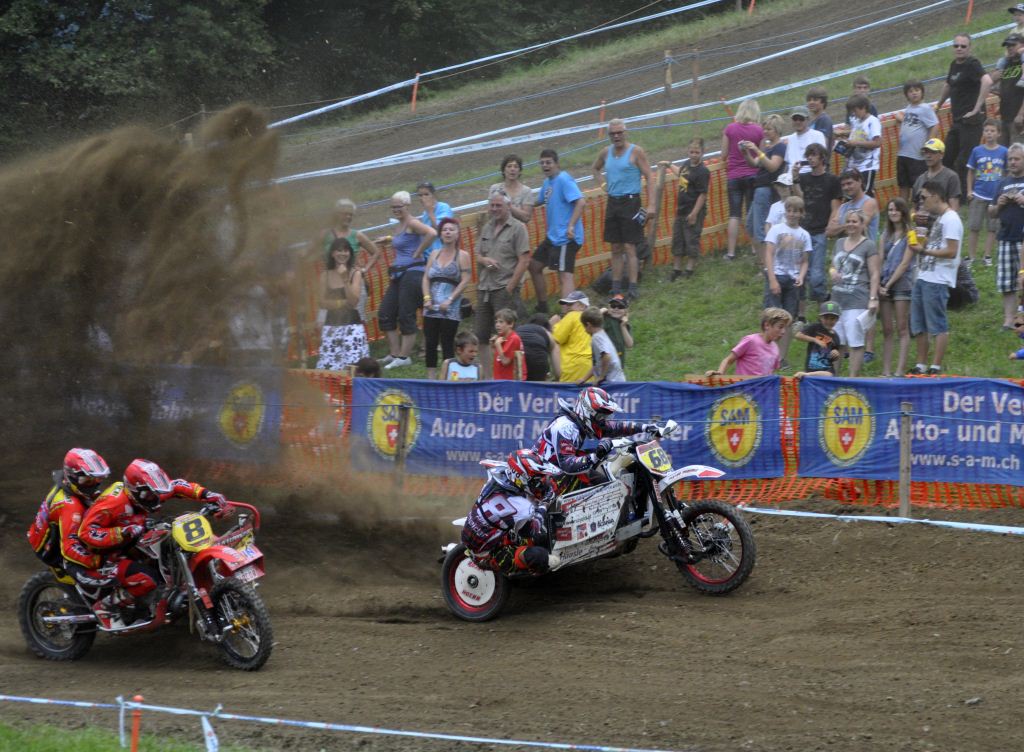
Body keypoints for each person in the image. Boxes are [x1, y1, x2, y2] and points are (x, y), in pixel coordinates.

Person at [78, 459, 230, 625]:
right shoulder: (113, 503)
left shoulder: (149, 491)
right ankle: (106, 606)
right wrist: (121, 532)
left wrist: (206, 494)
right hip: (103, 556)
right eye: (149, 495)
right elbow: (85, 533)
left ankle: (182, 590)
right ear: (134, 490)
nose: (155, 499)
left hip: (130, 543)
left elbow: (177, 486)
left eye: (156, 493)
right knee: (147, 578)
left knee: (171, 545)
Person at [533, 386, 655, 492]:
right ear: (587, 412)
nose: (604, 421)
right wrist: (596, 456)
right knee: (608, 488)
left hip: (558, 471)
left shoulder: (579, 422)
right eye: (601, 416)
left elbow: (617, 427)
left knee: (605, 464)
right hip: (543, 480)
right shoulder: (566, 427)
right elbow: (567, 465)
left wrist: (646, 427)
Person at [460, 449, 561, 576]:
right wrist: (544, 505)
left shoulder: (499, 472)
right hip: (487, 555)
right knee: (542, 555)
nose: (541, 481)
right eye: (538, 478)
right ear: (523, 478)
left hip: (479, 533)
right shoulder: (522, 507)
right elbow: (531, 531)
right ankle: (532, 577)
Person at [26, 449, 112, 586]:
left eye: (98, 479)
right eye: (88, 480)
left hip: (51, 531)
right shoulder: (70, 507)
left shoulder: (67, 483)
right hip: (52, 549)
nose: (94, 484)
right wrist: (99, 561)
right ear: (73, 477)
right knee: (101, 578)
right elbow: (70, 547)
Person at [591, 118, 656, 299]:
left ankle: (633, 286)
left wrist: (651, 204)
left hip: (631, 202)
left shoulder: (636, 152)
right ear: (609, 135)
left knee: (630, 246)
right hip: (613, 202)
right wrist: (603, 185)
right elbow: (595, 169)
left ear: (625, 133)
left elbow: (649, 176)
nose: (616, 136)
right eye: (613, 134)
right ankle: (616, 287)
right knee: (615, 247)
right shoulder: (606, 152)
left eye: (619, 133)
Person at [908, 181, 963, 375]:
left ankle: (935, 366)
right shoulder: (940, 219)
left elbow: (951, 251)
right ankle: (921, 364)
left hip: (938, 279)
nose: (921, 202)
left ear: (936, 196)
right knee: (919, 324)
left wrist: (924, 251)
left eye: (924, 197)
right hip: (924, 275)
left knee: (937, 324)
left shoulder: (951, 219)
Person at [378, 190, 436, 369]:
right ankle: (394, 353)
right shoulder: (399, 225)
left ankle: (404, 357)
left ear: (407, 206)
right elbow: (404, 241)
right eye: (393, 207)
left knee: (406, 313)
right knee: (386, 312)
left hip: (412, 273)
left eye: (399, 206)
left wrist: (419, 251)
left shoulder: (412, 222)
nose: (396, 209)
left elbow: (432, 233)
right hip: (398, 274)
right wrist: (389, 239)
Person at [476, 190, 531, 376]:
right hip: (484, 288)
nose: (494, 209)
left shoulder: (518, 228)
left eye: (498, 205)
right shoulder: (487, 227)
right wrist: (484, 260)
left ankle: (509, 374)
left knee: (505, 335)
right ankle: (488, 377)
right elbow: (477, 254)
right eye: (492, 205)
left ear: (508, 206)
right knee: (481, 335)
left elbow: (524, 260)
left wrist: (510, 287)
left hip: (504, 287)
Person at [528, 149, 586, 312]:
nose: (545, 166)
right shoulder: (548, 182)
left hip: (566, 238)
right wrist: (521, 203)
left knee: (565, 274)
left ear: (557, 164)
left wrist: (571, 225)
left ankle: (567, 313)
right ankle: (542, 305)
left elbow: (581, 202)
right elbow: (540, 200)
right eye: (542, 163)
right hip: (553, 237)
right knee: (534, 265)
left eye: (548, 162)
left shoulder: (564, 180)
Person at [934, 34, 994, 189]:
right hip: (957, 120)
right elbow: (948, 85)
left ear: (969, 48)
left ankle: (966, 196)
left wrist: (977, 108)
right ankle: (953, 192)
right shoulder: (954, 64)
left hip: (971, 121)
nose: (959, 48)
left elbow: (987, 81)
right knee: (947, 157)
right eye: (956, 46)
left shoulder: (972, 64)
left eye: (963, 46)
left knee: (964, 161)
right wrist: (938, 106)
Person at [829, 210, 880, 377]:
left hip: (857, 299)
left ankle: (852, 379)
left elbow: (874, 273)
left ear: (862, 224)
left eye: (855, 221)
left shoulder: (868, 245)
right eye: (849, 221)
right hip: (837, 300)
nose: (851, 224)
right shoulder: (839, 242)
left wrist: (873, 298)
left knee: (855, 342)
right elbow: (833, 265)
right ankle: (834, 377)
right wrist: (832, 272)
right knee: (836, 341)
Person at [791, 142, 843, 303]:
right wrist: (795, 179)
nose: (810, 158)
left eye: (814, 155)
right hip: (804, 229)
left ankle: (823, 297)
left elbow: (836, 206)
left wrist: (831, 225)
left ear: (822, 158)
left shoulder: (832, 180)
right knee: (804, 269)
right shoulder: (804, 178)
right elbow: (801, 199)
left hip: (820, 230)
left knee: (816, 272)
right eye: (808, 155)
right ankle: (818, 299)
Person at [763, 196, 812, 367]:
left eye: (795, 211)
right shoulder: (776, 229)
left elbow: (805, 261)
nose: (792, 214)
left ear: (801, 213)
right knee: (771, 317)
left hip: (793, 279)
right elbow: (769, 254)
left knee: (787, 320)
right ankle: (767, 352)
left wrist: (801, 276)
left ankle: (781, 358)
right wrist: (772, 279)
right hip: (776, 274)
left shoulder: (804, 235)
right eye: (789, 210)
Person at [421, 216, 471, 379]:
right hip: (431, 305)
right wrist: (426, 298)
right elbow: (426, 278)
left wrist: (450, 299)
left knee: (447, 341)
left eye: (451, 229)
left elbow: (465, 280)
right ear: (440, 234)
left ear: (457, 234)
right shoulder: (434, 254)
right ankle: (431, 378)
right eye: (445, 230)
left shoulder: (462, 255)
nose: (448, 232)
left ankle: (448, 377)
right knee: (430, 342)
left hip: (451, 307)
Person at [317, 198, 383, 319]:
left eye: (350, 214)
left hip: (353, 282)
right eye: (345, 213)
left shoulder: (356, 235)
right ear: (337, 214)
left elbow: (376, 252)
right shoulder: (325, 234)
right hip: (331, 282)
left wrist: (364, 270)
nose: (348, 217)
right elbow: (312, 252)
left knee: (356, 318)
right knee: (323, 319)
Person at [315, 237, 369, 371]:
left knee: (354, 368)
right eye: (339, 250)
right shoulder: (325, 275)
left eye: (346, 250)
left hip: (352, 326)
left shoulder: (355, 273)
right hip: (331, 326)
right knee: (329, 368)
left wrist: (345, 279)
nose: (343, 254)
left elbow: (354, 302)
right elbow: (322, 302)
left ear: (350, 253)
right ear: (332, 253)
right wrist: (342, 302)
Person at [878, 198, 917, 377]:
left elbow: (905, 263)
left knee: (902, 327)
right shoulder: (885, 234)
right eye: (890, 210)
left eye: (896, 209)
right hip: (884, 282)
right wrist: (879, 283)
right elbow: (880, 258)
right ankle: (886, 371)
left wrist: (888, 284)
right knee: (887, 329)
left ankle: (899, 370)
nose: (893, 213)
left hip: (902, 283)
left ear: (903, 212)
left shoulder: (911, 234)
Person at [742, 114, 787, 267]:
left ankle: (768, 265)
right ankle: (763, 261)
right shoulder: (768, 147)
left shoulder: (780, 147)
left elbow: (773, 166)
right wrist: (746, 153)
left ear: (777, 130)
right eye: (765, 129)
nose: (766, 132)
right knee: (750, 225)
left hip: (766, 189)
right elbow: (755, 163)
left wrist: (757, 149)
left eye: (769, 129)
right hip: (759, 188)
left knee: (760, 228)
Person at [721, 99, 764, 261]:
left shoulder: (730, 129)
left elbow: (723, 155)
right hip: (753, 175)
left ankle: (731, 253)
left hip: (733, 176)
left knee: (734, 215)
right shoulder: (759, 131)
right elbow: (761, 155)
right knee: (751, 213)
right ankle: (754, 248)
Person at [988, 142, 1024, 330]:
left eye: (1017, 159)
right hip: (1005, 237)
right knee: (1007, 282)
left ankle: (1021, 320)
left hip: (1023, 238)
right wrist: (999, 205)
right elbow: (991, 212)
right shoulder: (1002, 183)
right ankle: (1009, 321)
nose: (1013, 162)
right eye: (1010, 159)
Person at [965, 120, 1008, 268]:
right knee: (974, 226)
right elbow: (970, 172)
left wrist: (1005, 191)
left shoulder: (1004, 152)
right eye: (986, 130)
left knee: (992, 228)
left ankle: (987, 256)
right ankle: (971, 257)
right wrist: (969, 190)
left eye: (992, 131)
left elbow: (1007, 173)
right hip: (979, 194)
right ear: (983, 133)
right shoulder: (977, 151)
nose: (989, 133)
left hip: (996, 197)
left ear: (999, 133)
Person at [666, 138, 710, 279]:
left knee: (692, 239)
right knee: (678, 239)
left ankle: (689, 269)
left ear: (702, 153)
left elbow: (702, 194)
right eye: (691, 152)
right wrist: (669, 164)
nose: (694, 155)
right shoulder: (686, 164)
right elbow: (680, 173)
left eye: (697, 152)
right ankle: (677, 269)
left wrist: (694, 213)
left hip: (694, 210)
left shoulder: (703, 171)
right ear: (688, 151)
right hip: (681, 209)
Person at [705, 307, 793, 377]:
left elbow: (772, 372)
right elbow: (728, 360)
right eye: (780, 327)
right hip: (745, 390)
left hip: (763, 391)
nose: (783, 332)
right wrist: (719, 374)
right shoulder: (751, 341)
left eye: (785, 328)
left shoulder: (775, 348)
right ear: (767, 325)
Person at [894, 80, 940, 203]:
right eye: (910, 91)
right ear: (906, 95)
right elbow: (910, 121)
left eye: (917, 90)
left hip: (917, 156)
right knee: (903, 184)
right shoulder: (909, 108)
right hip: (903, 153)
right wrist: (899, 117)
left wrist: (928, 146)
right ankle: (902, 209)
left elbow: (934, 125)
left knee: (919, 185)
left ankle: (920, 207)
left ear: (922, 92)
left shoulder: (925, 108)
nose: (914, 93)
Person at [835, 95, 882, 196]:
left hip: (867, 165)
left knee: (865, 194)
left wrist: (856, 143)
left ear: (863, 107)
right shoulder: (857, 122)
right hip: (854, 166)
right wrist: (845, 142)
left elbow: (877, 142)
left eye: (855, 110)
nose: (853, 114)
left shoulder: (873, 121)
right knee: (853, 195)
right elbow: (854, 139)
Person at [550, 290, 592, 383]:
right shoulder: (592, 319)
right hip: (590, 366)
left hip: (573, 363)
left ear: (582, 305)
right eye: (566, 304)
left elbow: (557, 338)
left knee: (568, 391)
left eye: (570, 304)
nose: (566, 307)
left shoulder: (572, 315)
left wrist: (552, 325)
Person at [828, 168, 879, 242]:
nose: (846, 187)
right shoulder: (843, 207)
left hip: (863, 248)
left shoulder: (869, 202)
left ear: (860, 181)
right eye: (843, 185)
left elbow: (859, 228)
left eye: (849, 183)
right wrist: (849, 225)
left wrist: (839, 227)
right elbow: (829, 232)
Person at [912, 138, 962, 214]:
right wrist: (914, 216)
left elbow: (954, 209)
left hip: (942, 220)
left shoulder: (951, 177)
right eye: (926, 152)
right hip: (921, 221)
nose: (928, 155)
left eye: (932, 152)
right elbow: (913, 208)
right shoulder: (920, 179)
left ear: (942, 154)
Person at [794, 301, 843, 377]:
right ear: (820, 317)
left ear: (837, 319)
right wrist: (815, 340)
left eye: (832, 319)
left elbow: (834, 355)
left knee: (829, 375)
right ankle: (807, 374)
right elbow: (798, 335)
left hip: (826, 369)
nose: (829, 321)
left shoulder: (836, 337)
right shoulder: (815, 327)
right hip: (812, 366)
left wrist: (836, 354)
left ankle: (807, 375)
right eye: (826, 318)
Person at [991, 34, 1024, 146]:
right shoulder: (1005, 64)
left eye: (1013, 45)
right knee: (1004, 153)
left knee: (1017, 152)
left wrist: (1021, 114)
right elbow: (990, 83)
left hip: (1019, 119)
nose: (1009, 48)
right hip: (1005, 117)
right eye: (1007, 46)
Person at [580, 306, 625, 384]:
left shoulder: (596, 337)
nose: (584, 330)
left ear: (588, 325)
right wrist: (584, 379)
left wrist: (601, 376)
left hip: (612, 382)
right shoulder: (602, 333)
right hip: (617, 379)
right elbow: (598, 364)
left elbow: (607, 357)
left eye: (584, 326)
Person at [488, 154, 535, 224]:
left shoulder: (526, 191)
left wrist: (509, 206)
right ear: (503, 170)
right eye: (509, 166)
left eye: (516, 167)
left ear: (520, 171)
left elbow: (526, 218)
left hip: (519, 230)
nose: (512, 169)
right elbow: (490, 214)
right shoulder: (494, 188)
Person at [784, 105, 827, 176]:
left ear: (808, 120)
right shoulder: (790, 138)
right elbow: (788, 163)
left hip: (810, 175)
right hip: (791, 176)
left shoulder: (817, 135)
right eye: (795, 119)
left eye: (801, 119)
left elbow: (822, 160)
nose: (798, 122)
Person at [516, 314, 560, 382]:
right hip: (537, 362)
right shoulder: (547, 333)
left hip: (518, 359)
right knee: (537, 385)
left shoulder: (519, 329)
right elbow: (558, 372)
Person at [416, 182, 455, 254]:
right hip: (428, 254)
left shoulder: (444, 207)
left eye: (426, 194)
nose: (423, 198)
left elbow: (440, 230)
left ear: (433, 194)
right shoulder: (425, 213)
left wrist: (430, 212)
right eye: (420, 195)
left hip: (442, 252)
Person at [491, 308, 523, 380]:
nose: (497, 325)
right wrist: (493, 346)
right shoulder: (500, 338)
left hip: (508, 381)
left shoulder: (514, 338)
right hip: (498, 379)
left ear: (511, 324)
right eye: (496, 322)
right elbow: (497, 359)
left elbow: (505, 361)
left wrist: (498, 345)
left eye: (501, 322)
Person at [602, 294, 633, 367]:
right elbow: (593, 324)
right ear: (609, 308)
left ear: (626, 311)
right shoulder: (605, 319)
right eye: (613, 306)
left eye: (620, 306)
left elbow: (629, 344)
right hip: (604, 362)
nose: (616, 308)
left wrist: (623, 326)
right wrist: (600, 312)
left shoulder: (624, 324)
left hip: (618, 364)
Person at [806, 86, 834, 153]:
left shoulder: (824, 120)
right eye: (809, 100)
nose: (811, 102)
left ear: (823, 102)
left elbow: (822, 146)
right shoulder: (810, 121)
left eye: (815, 100)